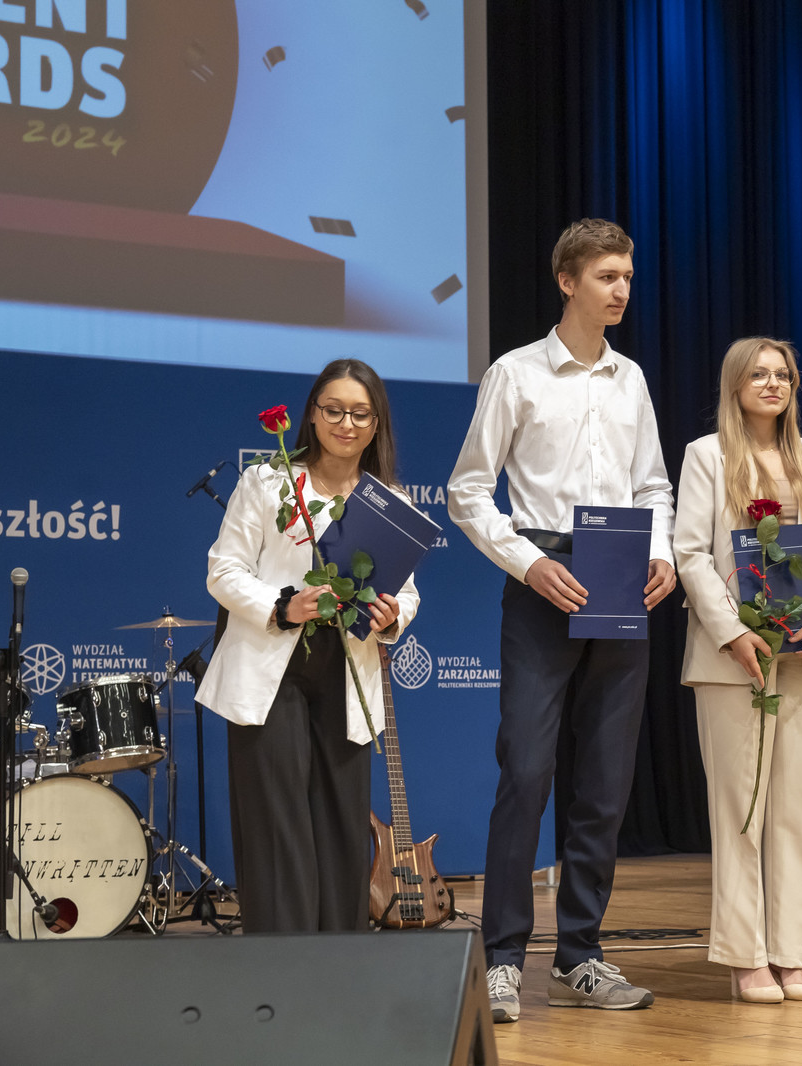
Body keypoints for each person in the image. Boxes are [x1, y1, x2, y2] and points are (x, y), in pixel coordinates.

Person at [447, 219, 676, 1020]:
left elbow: (653, 485)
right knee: (527, 771)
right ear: (567, 281)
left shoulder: (631, 379)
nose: (622, 289)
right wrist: (528, 563)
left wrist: (664, 553)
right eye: (608, 275)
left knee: (606, 782)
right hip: (543, 576)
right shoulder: (515, 373)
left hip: (619, 572)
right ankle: (504, 959)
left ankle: (580, 955)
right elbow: (468, 490)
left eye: (628, 276)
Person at [200, 359, 419, 934]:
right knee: (279, 825)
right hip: (274, 663)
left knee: (342, 822)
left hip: (347, 666)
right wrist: (283, 605)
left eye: (360, 414)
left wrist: (392, 615)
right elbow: (223, 570)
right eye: (334, 410)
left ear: (376, 424)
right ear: (313, 415)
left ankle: (338, 961)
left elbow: (406, 591)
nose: (346, 423)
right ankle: (282, 962)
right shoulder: (269, 481)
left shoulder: (389, 498)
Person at [674, 337, 802, 1003]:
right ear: (735, 385)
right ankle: (746, 957)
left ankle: (790, 955)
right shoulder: (706, 455)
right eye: (759, 374)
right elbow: (691, 554)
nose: (773, 384)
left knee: (797, 814)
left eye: (783, 375)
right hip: (735, 657)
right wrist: (731, 631)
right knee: (741, 812)